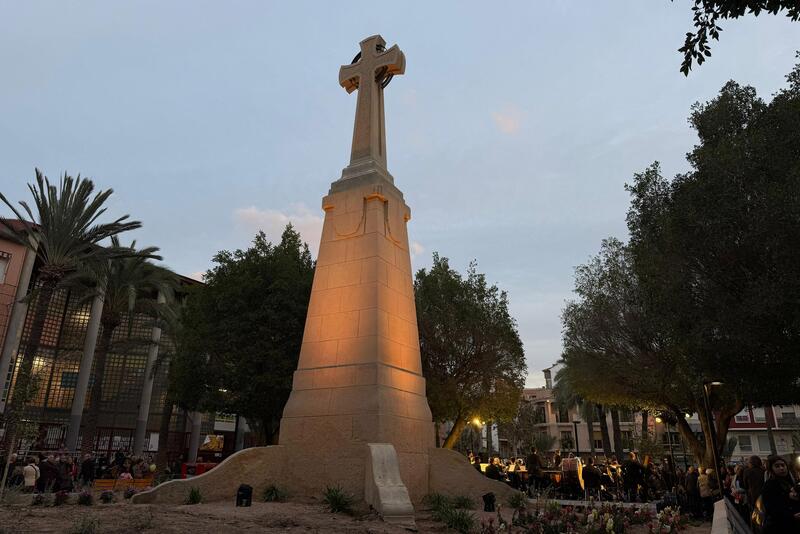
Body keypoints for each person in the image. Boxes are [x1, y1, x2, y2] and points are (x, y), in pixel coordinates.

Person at [761, 456, 800, 533]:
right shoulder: (769, 485)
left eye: (783, 465)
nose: (781, 468)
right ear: (771, 469)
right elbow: (771, 508)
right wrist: (791, 516)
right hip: (779, 527)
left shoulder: (791, 481)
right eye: (777, 466)